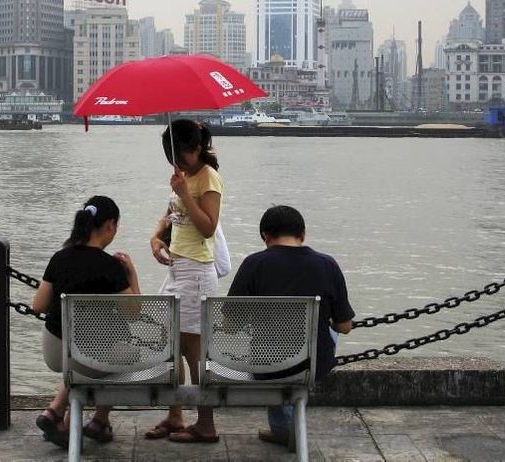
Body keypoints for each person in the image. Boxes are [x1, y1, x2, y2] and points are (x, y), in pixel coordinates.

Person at [227, 205, 355, 449]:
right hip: (314, 365)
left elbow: (231, 324)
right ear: (303, 234)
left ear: (265, 236)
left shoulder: (254, 264)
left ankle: (283, 429)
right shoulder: (327, 264)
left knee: (270, 346)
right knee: (325, 332)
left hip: (265, 365)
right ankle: (286, 430)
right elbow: (345, 326)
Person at [30, 196, 140, 448]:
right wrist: (131, 274)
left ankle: (58, 413)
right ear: (110, 225)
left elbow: (38, 306)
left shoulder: (60, 257)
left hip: (55, 352)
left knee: (84, 357)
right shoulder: (110, 266)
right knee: (125, 353)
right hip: (93, 357)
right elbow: (134, 314)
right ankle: (99, 421)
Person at [147, 119, 223, 444]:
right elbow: (170, 216)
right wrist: (155, 238)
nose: (177, 164)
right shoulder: (184, 177)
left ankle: (205, 422)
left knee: (194, 351)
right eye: (172, 159)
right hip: (176, 267)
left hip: (197, 272)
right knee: (170, 345)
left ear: (196, 149)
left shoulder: (208, 178)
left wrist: (184, 193)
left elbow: (207, 227)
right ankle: (176, 414)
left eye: (181, 156)